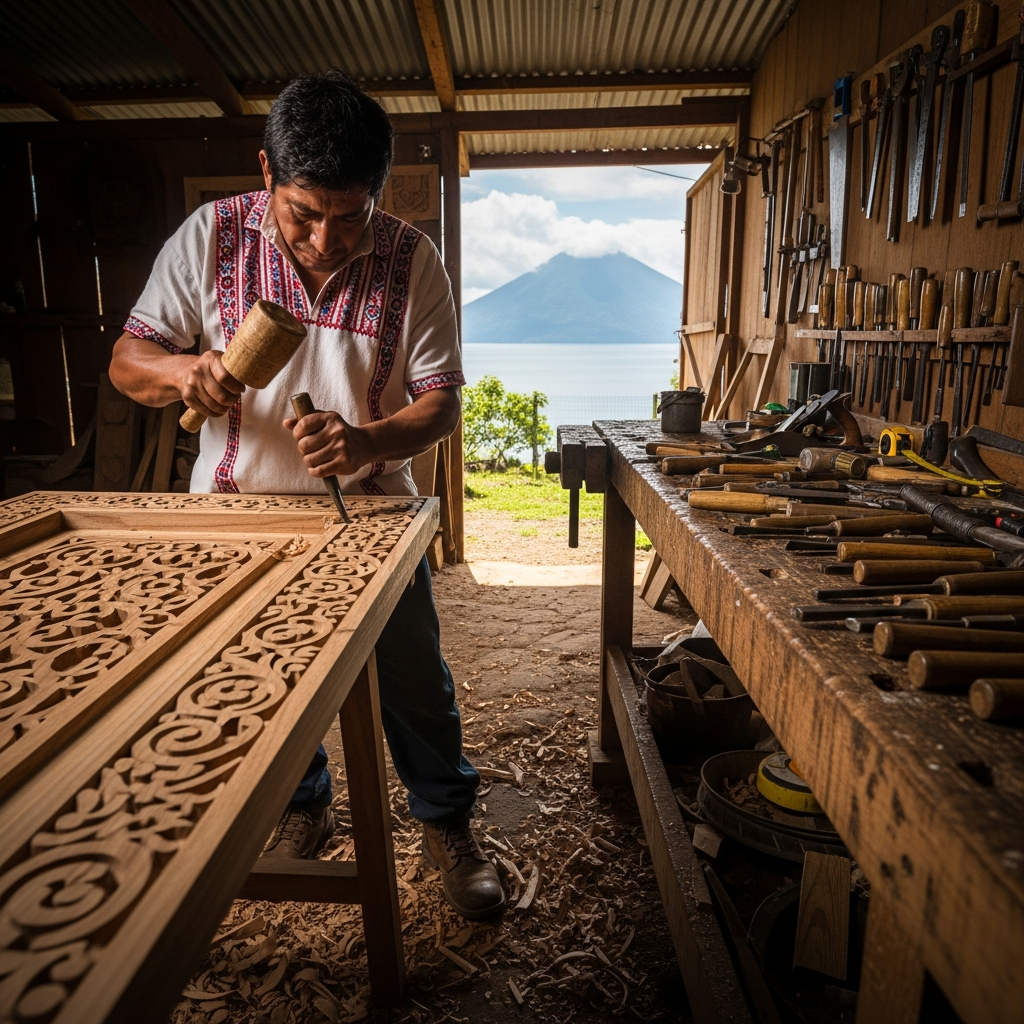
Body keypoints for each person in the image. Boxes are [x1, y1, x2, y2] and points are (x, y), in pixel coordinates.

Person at [108, 69, 503, 921]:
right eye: (303, 214)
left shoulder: (411, 258)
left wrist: (366, 441)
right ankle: (304, 805)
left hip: (372, 511)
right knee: (263, 679)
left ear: (379, 192)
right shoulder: (210, 238)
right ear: (267, 173)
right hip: (236, 513)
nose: (326, 240)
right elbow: (127, 362)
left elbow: (441, 402)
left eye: (350, 216)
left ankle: (446, 821)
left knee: (414, 680)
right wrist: (186, 371)